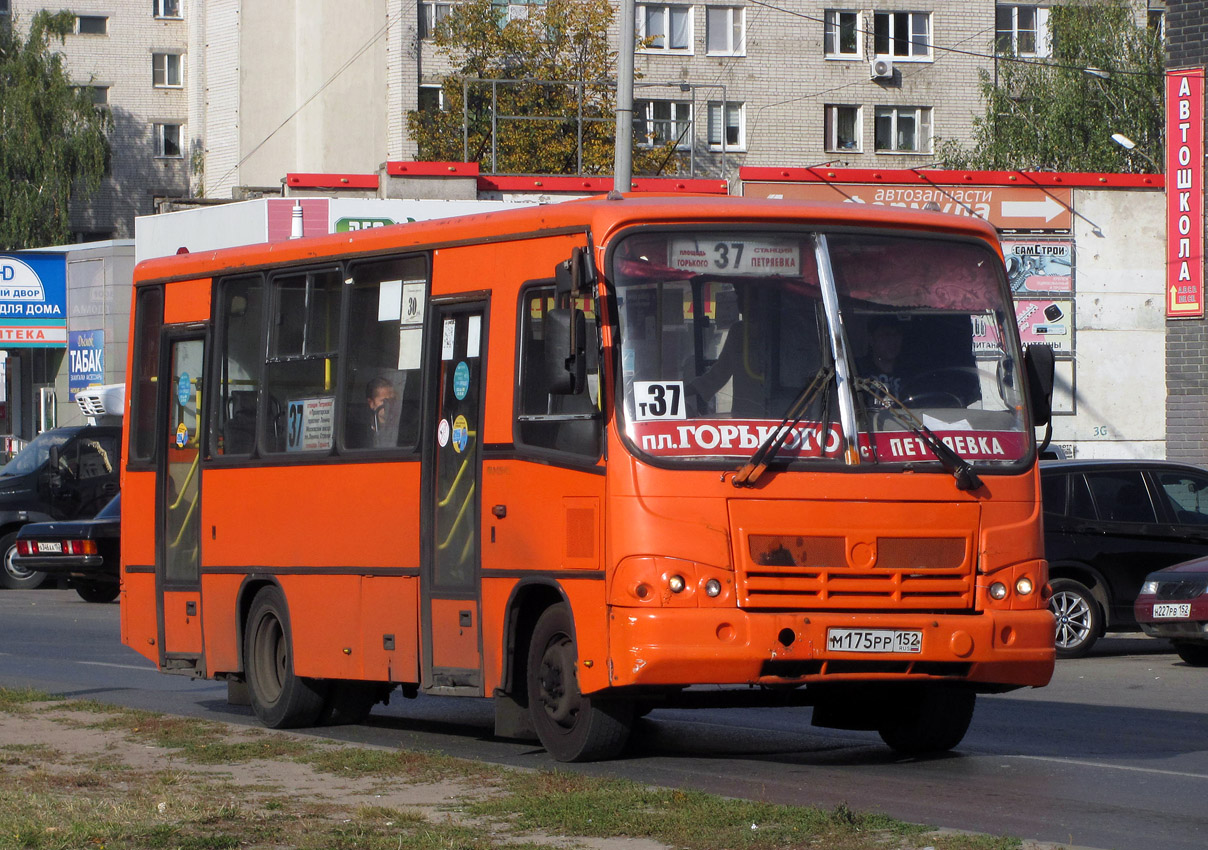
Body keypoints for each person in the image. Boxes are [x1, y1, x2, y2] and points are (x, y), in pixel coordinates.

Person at [858, 315, 907, 398]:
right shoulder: (859, 371)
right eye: (885, 335)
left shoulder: (909, 371)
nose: (892, 341)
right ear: (871, 340)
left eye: (896, 335)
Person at [365, 376, 398, 447]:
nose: (389, 405)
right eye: (384, 401)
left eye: (392, 400)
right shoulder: (363, 434)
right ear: (371, 403)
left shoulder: (399, 428)